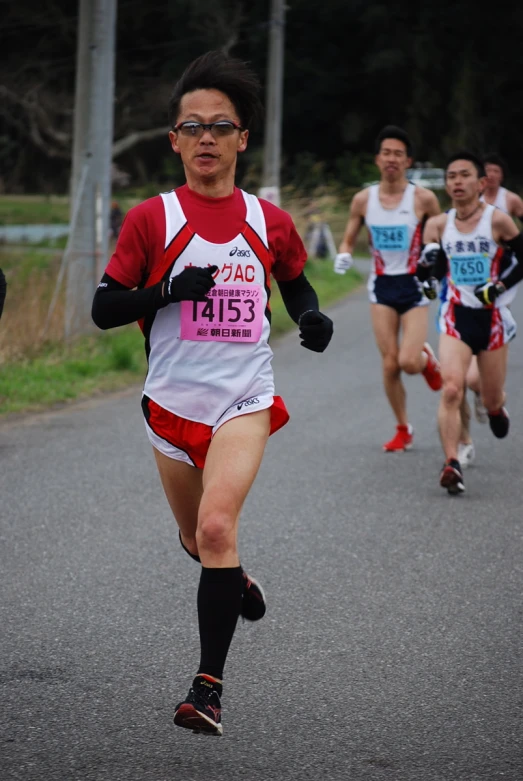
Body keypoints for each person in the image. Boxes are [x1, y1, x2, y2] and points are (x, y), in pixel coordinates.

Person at [91, 50, 333, 736]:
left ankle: (207, 688)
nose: (205, 136)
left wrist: (308, 315)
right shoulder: (151, 219)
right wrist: (164, 291)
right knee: (197, 539)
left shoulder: (267, 219)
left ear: (240, 139)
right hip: (169, 402)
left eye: (219, 125)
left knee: (217, 525)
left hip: (242, 397)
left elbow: (293, 279)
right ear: (173, 140)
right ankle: (235, 580)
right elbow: (105, 309)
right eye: (191, 125)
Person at [418, 151, 523, 494]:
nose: (457, 182)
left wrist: (501, 285)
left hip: (491, 319)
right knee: (451, 388)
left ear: (480, 183)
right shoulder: (437, 224)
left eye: (464, 175)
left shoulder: (498, 221)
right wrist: (427, 276)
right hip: (456, 316)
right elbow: (433, 261)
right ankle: (452, 463)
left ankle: (494, 407)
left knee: (490, 397)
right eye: (451, 176)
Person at [334, 125, 442, 452]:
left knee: (409, 361)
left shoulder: (423, 198)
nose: (392, 159)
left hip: (413, 286)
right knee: (390, 363)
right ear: (377, 159)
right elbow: (350, 237)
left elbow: (441, 232)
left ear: (408, 161)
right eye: (386, 153)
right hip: (381, 288)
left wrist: (433, 253)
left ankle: (426, 361)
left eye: (398, 154)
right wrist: (344, 253)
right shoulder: (363, 200)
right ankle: (403, 427)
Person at [457, 154, 523, 467]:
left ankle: (491, 401)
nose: (493, 176)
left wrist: (498, 284)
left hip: (497, 307)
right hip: (461, 311)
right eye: (489, 171)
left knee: (477, 384)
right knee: (455, 382)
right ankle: (461, 446)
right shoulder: (464, 210)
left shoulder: (507, 207)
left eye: (498, 171)